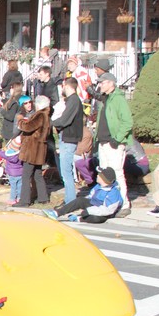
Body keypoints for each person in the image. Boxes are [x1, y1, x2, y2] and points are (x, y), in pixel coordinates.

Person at [94, 72, 133, 213]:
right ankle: (108, 202)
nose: (100, 85)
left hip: (114, 143)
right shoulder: (106, 99)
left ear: (111, 83)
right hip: (103, 141)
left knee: (116, 173)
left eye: (103, 82)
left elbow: (127, 122)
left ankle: (124, 204)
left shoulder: (118, 99)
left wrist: (117, 139)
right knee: (104, 174)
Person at [44, 166, 123, 223]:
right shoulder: (98, 186)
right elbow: (90, 197)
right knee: (80, 200)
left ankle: (79, 219)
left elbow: (107, 210)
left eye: (99, 175)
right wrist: (86, 206)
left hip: (105, 212)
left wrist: (89, 211)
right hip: (95, 206)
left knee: (97, 219)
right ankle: (56, 213)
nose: (97, 175)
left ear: (104, 179)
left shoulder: (113, 193)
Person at [52, 77, 84, 204]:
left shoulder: (74, 101)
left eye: (63, 86)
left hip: (69, 138)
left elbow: (65, 120)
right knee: (66, 171)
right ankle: (69, 198)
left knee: (66, 172)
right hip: (67, 137)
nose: (62, 89)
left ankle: (70, 200)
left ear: (67, 86)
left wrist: (51, 123)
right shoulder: (71, 100)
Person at [16, 95, 51, 206]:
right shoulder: (46, 115)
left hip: (33, 150)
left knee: (26, 175)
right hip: (39, 149)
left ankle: (24, 200)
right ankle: (43, 198)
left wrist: (20, 120)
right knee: (37, 174)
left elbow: (28, 127)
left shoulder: (40, 115)